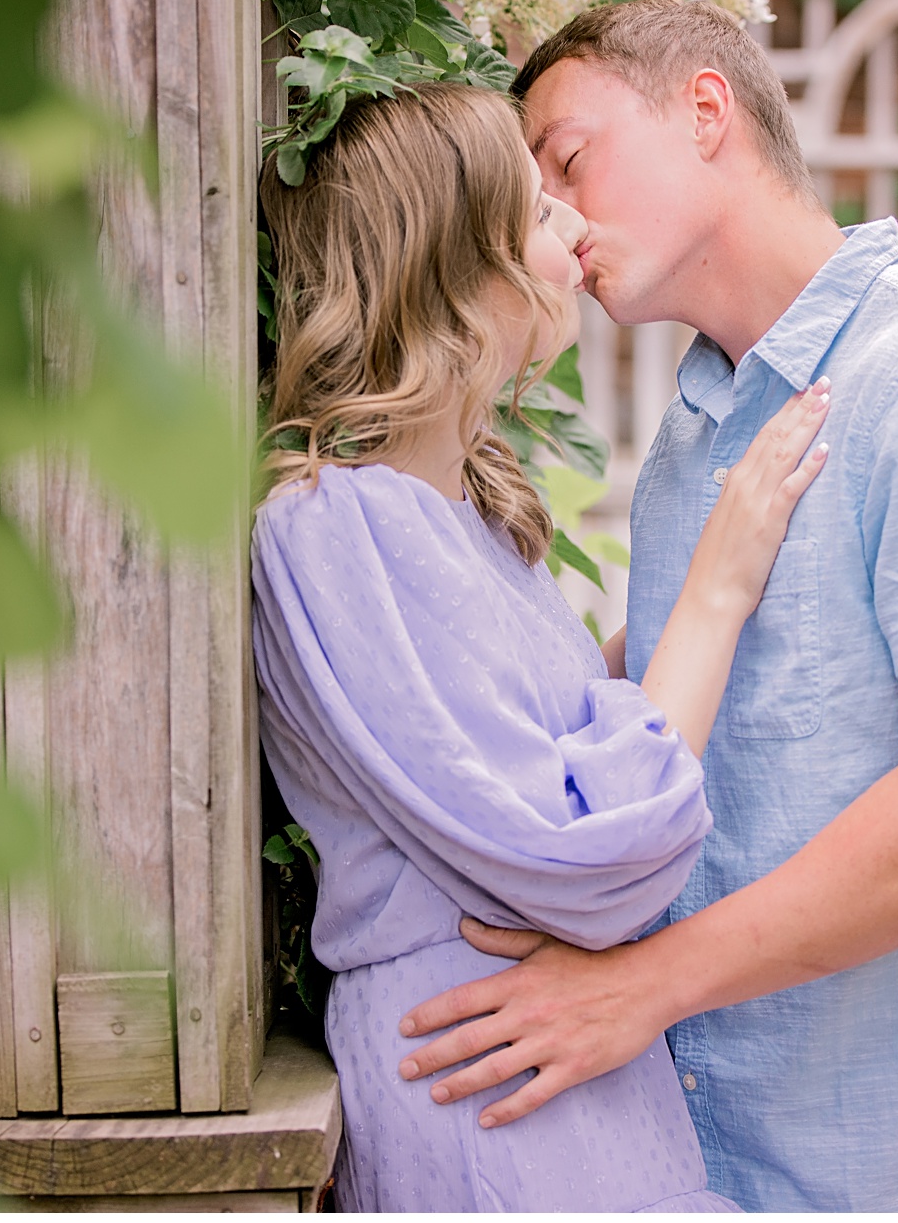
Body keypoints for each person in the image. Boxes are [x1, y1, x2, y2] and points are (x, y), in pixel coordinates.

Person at [394, 0, 898, 1211]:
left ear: (703, 109)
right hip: (720, 1161)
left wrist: (641, 985)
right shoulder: (695, 434)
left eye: (568, 157)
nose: (558, 217)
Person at [251, 81, 833, 1212]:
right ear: (454, 258)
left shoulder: (458, 513)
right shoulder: (334, 525)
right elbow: (588, 855)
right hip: (483, 1073)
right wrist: (715, 586)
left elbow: (525, 752)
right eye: (535, 204)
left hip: (547, 1063)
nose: (572, 224)